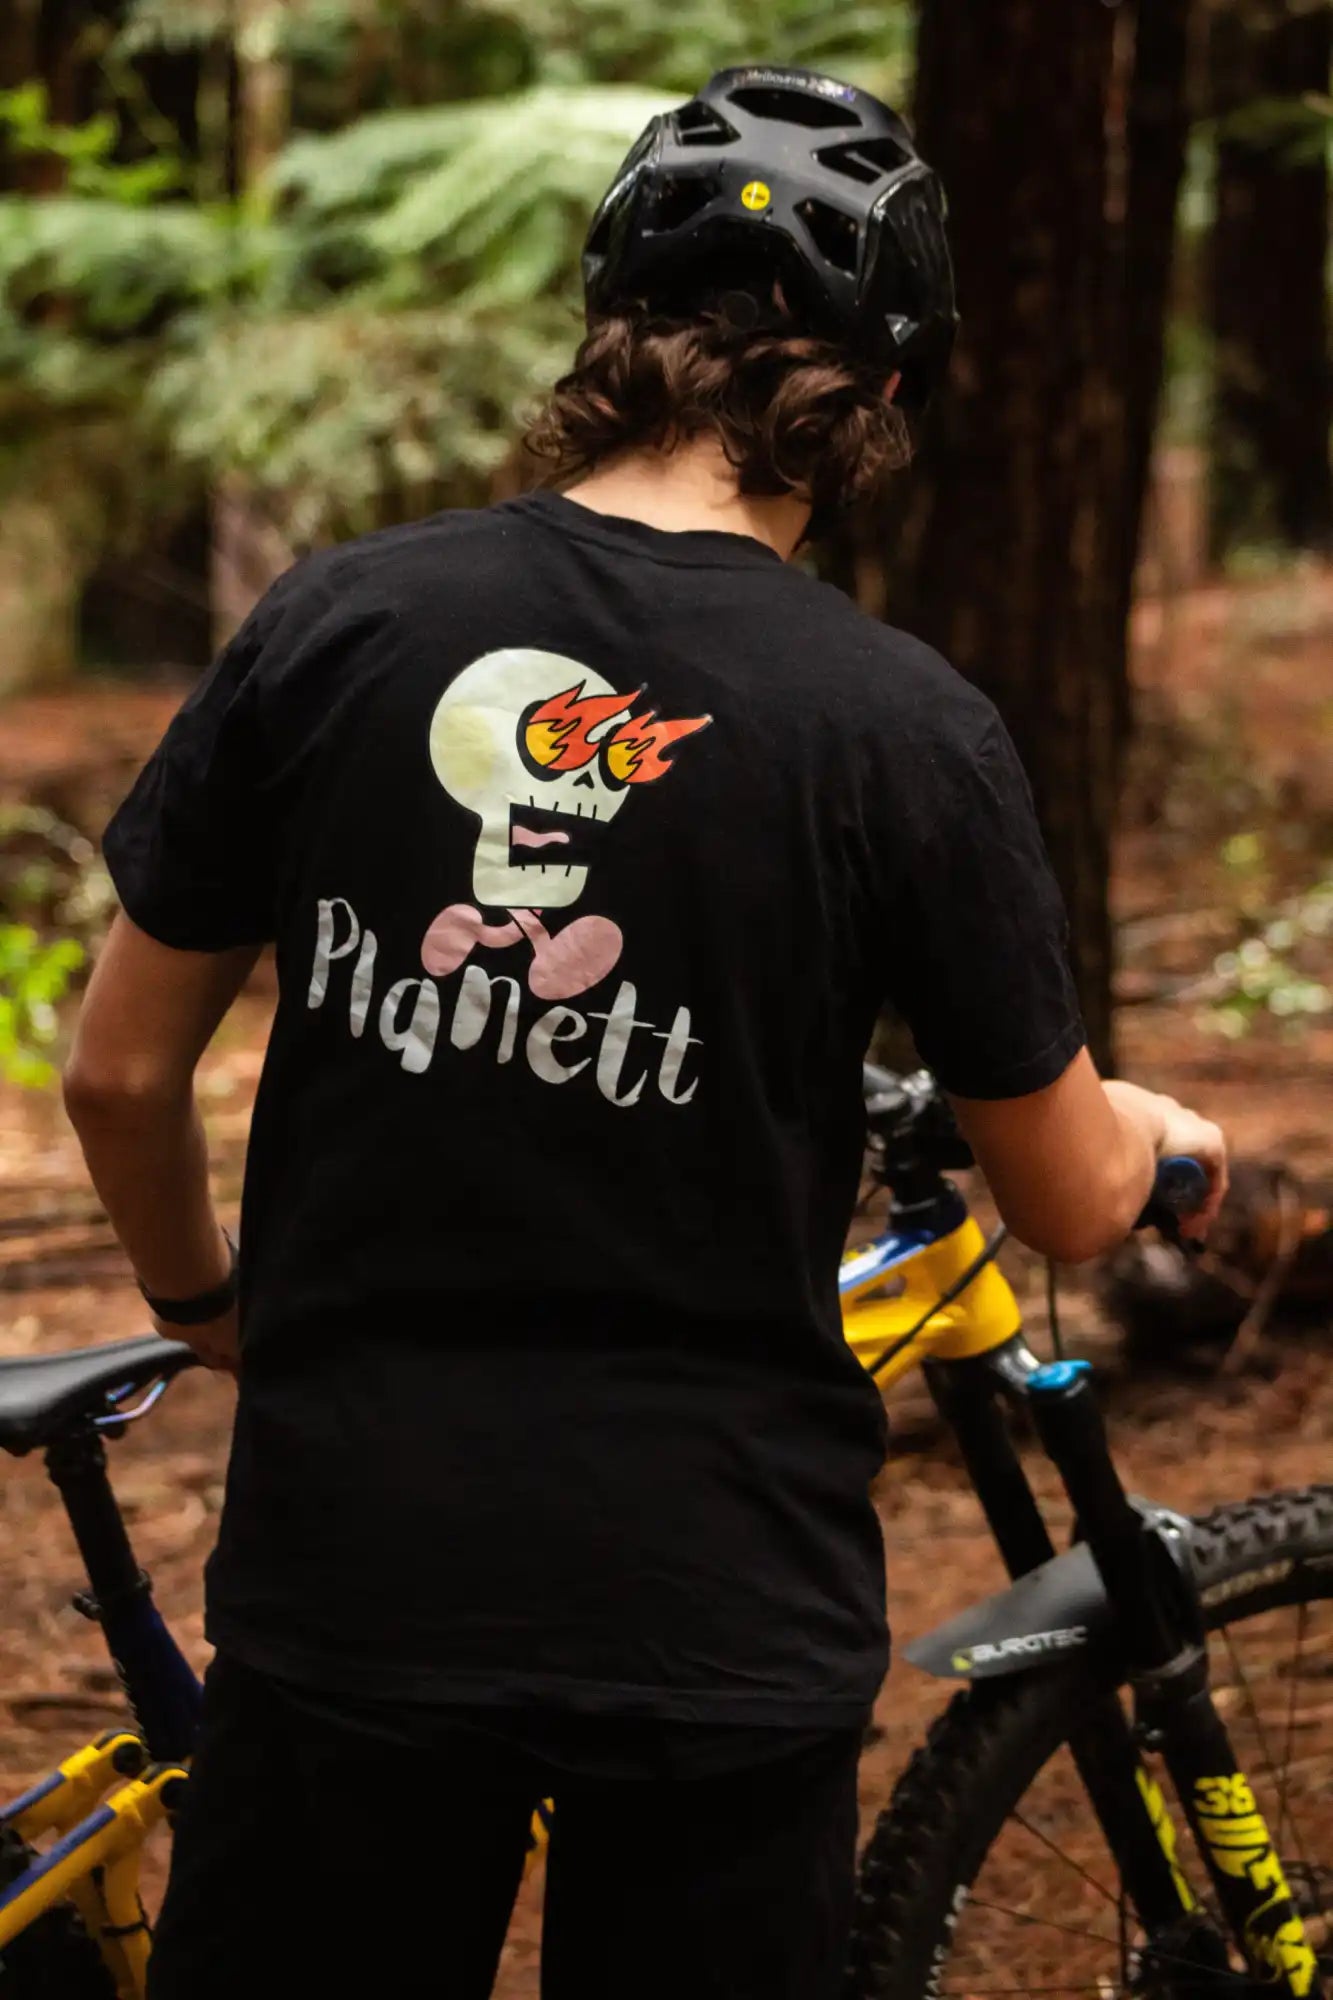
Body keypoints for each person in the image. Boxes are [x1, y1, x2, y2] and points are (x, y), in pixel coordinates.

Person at [64, 66, 1227, 2000]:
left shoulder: (339, 622)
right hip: (710, 1615)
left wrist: (206, 1307)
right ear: (881, 388)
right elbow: (1068, 1197)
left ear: (608, 326)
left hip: (353, 1580)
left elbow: (115, 1073)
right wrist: (1152, 1129)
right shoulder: (900, 726)